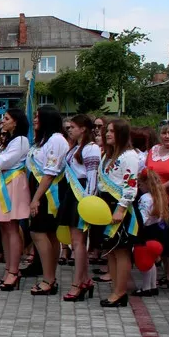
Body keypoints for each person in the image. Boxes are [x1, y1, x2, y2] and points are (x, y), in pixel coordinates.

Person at [25, 105, 69, 296]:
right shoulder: (43, 140)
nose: (35, 120)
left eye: (38, 117)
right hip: (40, 187)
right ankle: (50, 277)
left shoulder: (56, 140)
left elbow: (50, 172)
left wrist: (35, 199)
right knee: (49, 233)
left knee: (39, 232)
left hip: (49, 191)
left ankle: (49, 278)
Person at [97, 119, 142, 307]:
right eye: (107, 131)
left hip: (120, 206)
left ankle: (120, 292)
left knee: (121, 251)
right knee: (111, 251)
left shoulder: (129, 156)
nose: (107, 134)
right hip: (106, 204)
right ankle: (116, 289)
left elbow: (130, 186)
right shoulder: (108, 155)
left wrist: (121, 209)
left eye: (112, 132)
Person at [0, 109, 30, 291]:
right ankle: (8, 267)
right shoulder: (10, 140)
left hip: (13, 183)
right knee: (3, 227)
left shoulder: (21, 140)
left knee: (12, 227)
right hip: (4, 182)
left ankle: (14, 270)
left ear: (16, 122)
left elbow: (3, 162)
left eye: (6, 118)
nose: (2, 121)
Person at [59, 115, 100, 301]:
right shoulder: (75, 147)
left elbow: (92, 177)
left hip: (81, 195)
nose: (69, 129)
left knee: (78, 243)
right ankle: (84, 279)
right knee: (75, 241)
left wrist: (87, 202)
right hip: (71, 193)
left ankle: (78, 283)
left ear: (83, 129)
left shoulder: (91, 148)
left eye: (73, 127)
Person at [145, 120, 169, 289]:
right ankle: (160, 273)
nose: (167, 136)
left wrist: (161, 188)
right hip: (154, 201)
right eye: (164, 133)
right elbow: (147, 171)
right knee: (156, 235)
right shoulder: (153, 150)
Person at [136, 169, 169, 297]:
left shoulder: (145, 198)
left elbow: (143, 218)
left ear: (146, 184)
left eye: (140, 184)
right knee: (152, 261)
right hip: (157, 231)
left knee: (145, 261)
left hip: (147, 232)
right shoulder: (160, 197)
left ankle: (146, 288)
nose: (139, 187)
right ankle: (153, 286)